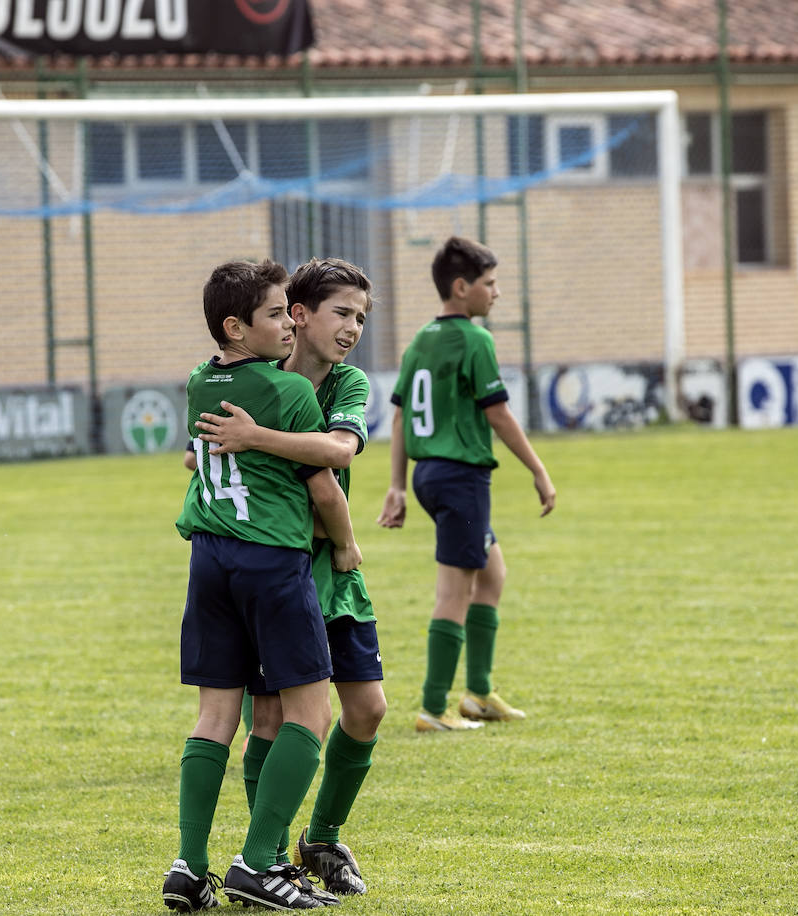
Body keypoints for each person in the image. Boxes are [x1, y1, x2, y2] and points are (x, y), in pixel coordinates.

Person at [163, 259, 362, 912]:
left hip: (208, 558)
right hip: (272, 563)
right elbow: (326, 488)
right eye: (275, 314)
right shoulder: (292, 394)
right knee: (312, 712)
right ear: (236, 326)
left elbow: (202, 454)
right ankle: (257, 864)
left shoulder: (198, 380)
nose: (288, 323)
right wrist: (345, 547)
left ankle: (189, 870)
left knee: (217, 715)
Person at [377, 236, 557, 733]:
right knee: (454, 592)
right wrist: (539, 470)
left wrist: (397, 485)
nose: (496, 293)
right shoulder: (475, 341)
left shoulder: (420, 340)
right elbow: (497, 413)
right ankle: (433, 709)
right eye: (490, 283)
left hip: (428, 476)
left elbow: (397, 419)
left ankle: (478, 693)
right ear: (461, 288)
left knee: (492, 575)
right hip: (460, 478)